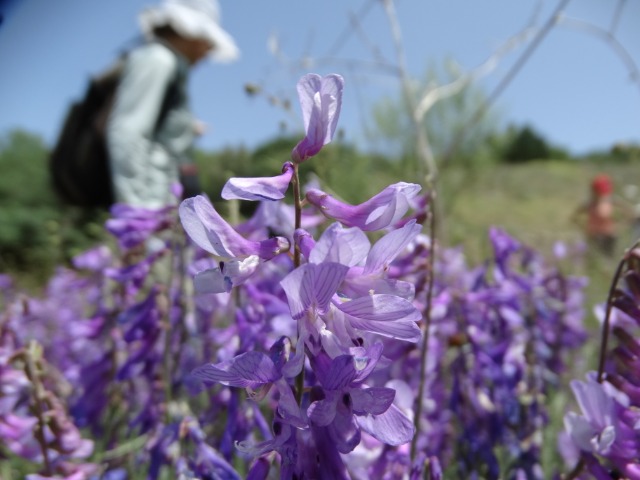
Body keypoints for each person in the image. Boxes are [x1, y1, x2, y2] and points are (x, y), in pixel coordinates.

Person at [107, 0, 239, 209]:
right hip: (152, 203)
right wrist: (139, 214)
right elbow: (127, 132)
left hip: (165, 198)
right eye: (208, 43)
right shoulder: (158, 60)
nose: (207, 52)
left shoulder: (166, 63)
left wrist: (188, 127)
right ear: (191, 33)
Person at [572, 173, 620, 256]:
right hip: (594, 237)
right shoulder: (590, 204)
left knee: (608, 259)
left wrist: (618, 225)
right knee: (594, 258)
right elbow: (574, 218)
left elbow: (629, 213)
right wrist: (584, 227)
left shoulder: (611, 201)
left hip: (609, 236)